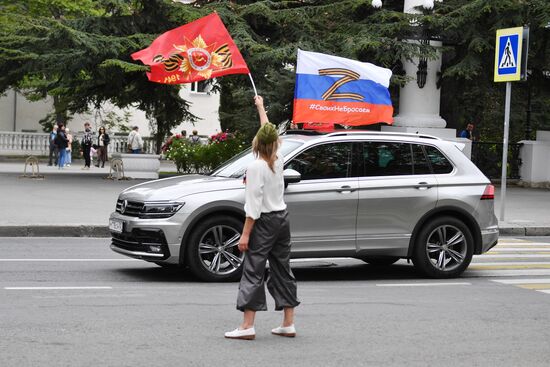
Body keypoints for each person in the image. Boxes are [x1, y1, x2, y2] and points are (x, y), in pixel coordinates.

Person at [225, 96, 300, 341]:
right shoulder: (277, 160)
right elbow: (268, 133)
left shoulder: (256, 166)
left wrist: (245, 234)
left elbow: (253, 207)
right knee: (282, 268)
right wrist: (260, 107)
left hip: (264, 221)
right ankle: (288, 323)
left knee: (253, 270)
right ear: (275, 143)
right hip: (282, 219)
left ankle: (247, 326)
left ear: (257, 142)